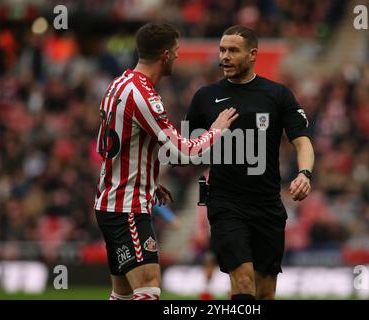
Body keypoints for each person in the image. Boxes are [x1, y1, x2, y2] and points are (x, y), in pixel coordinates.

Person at [94, 22, 238, 300]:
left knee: (122, 294)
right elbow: (183, 151)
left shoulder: (117, 84)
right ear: (165, 55)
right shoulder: (144, 95)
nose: (178, 56)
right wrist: (216, 130)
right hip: (128, 207)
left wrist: (148, 179)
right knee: (149, 287)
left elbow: (107, 146)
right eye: (176, 51)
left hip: (109, 202)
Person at [185, 25, 315, 300]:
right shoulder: (204, 97)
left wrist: (304, 173)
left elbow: (302, 141)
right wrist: (212, 135)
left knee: (265, 291)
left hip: (267, 204)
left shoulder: (278, 95)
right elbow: (185, 150)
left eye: (233, 50)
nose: (225, 56)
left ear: (253, 54)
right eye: (222, 50)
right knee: (243, 283)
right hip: (225, 202)